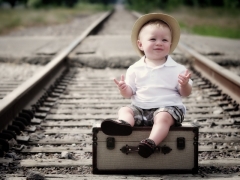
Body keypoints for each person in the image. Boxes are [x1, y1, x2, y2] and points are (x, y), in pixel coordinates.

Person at [101, 13, 192, 158]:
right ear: (140, 44)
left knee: (162, 117)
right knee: (125, 109)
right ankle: (124, 124)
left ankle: (150, 142)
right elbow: (129, 94)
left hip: (168, 108)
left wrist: (185, 84)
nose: (159, 43)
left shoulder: (178, 69)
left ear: (170, 43)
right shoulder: (134, 68)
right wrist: (124, 89)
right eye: (152, 39)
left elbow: (185, 93)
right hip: (141, 108)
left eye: (164, 39)